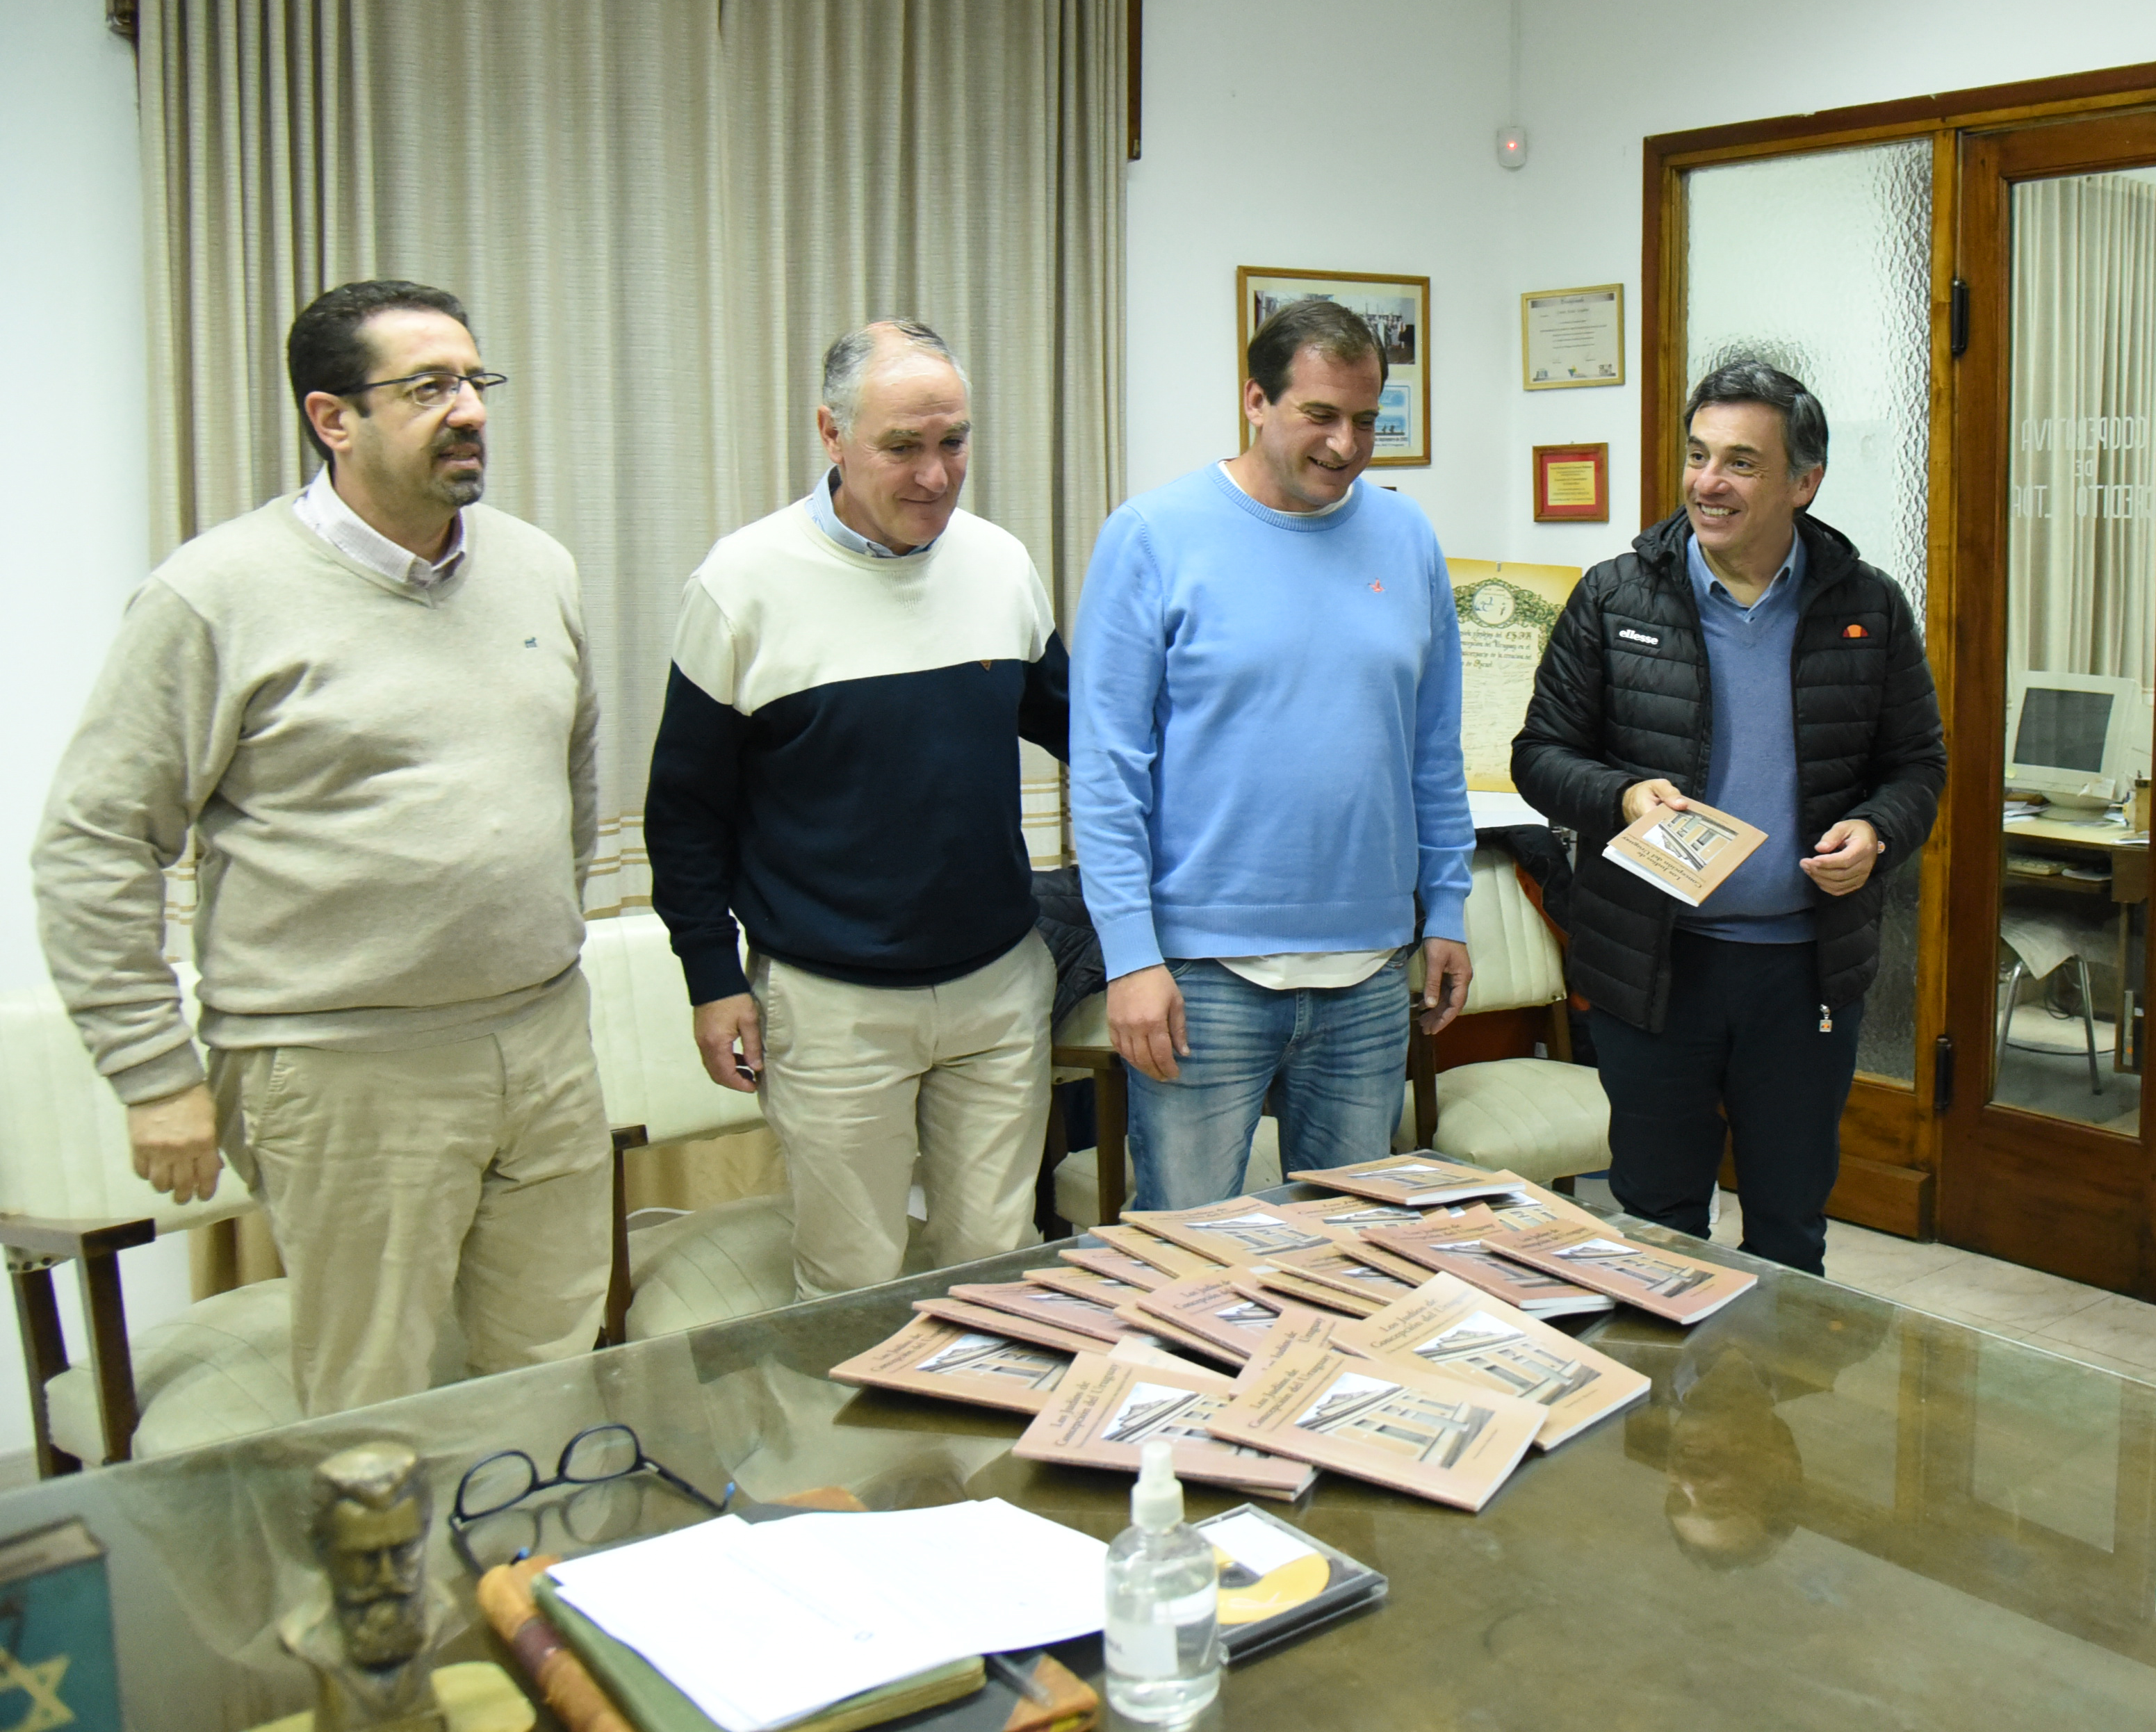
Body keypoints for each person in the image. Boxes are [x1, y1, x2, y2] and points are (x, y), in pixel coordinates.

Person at [31, 279, 611, 1417]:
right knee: (374, 1407)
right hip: (342, 1066)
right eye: (428, 386)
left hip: (541, 1041)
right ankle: (386, 1604)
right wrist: (155, 1078)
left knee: (555, 1376)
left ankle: (529, 1592)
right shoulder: (214, 595)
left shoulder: (537, 565)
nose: (470, 410)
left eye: (475, 381)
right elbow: (94, 844)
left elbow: (568, 776)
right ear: (331, 417)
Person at [646, 319, 1069, 1296]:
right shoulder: (741, 584)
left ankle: (981, 1455)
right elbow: (684, 812)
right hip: (830, 1004)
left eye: (954, 441)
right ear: (832, 436)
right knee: (853, 1286)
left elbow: (1077, 728)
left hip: (999, 987)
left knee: (1000, 1270)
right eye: (902, 447)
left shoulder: (1000, 563)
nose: (935, 475)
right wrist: (712, 976)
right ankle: (855, 1461)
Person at [1512, 359, 1946, 1277]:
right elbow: (1540, 755)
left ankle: (1766, 1418)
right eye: (1699, 455)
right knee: (1658, 1226)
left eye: (1741, 463)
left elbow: (1916, 768)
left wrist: (1877, 831)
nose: (1708, 483)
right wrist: (1624, 795)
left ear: (1803, 482)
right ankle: (1665, 1419)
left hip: (1803, 973)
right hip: (1656, 967)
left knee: (1789, 1229)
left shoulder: (1866, 607)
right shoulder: (1616, 595)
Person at [1068, 298, 1473, 1211]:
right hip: (1202, 977)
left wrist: (1446, 907)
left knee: (1349, 1254)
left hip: (1369, 973)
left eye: (1366, 419)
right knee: (1191, 1262)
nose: (1346, 443)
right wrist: (1130, 958)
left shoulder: (1407, 538)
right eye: (1319, 416)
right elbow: (1106, 773)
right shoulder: (1152, 536)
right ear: (1256, 399)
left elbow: (1433, 751)